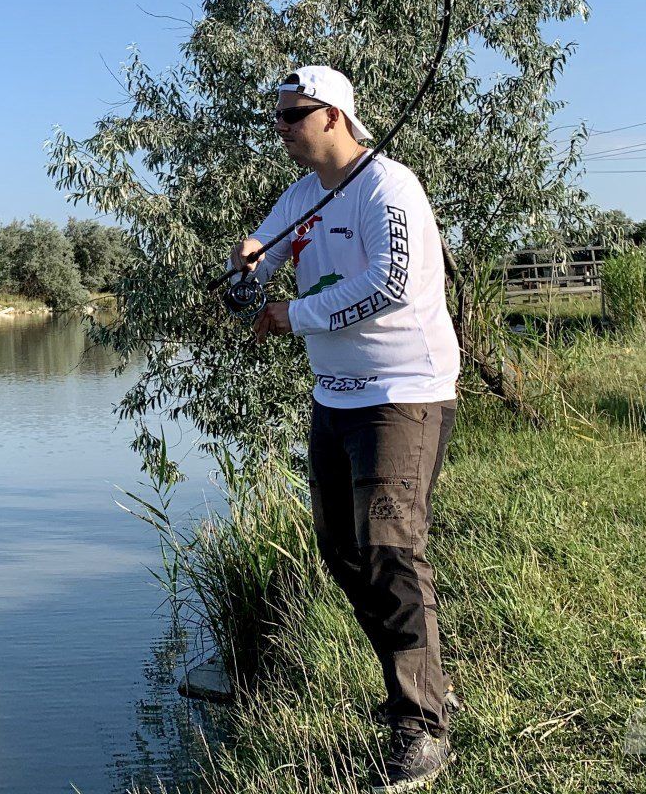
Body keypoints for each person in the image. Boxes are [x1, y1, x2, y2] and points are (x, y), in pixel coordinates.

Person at [236, 65, 460, 794]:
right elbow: (260, 254)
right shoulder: (303, 196)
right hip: (334, 396)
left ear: (333, 115)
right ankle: (422, 686)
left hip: (404, 395)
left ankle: (421, 726)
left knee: (391, 548)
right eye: (277, 116)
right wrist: (245, 269)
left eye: (291, 115)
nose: (280, 129)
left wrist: (291, 314)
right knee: (340, 551)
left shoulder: (389, 187)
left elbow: (392, 282)